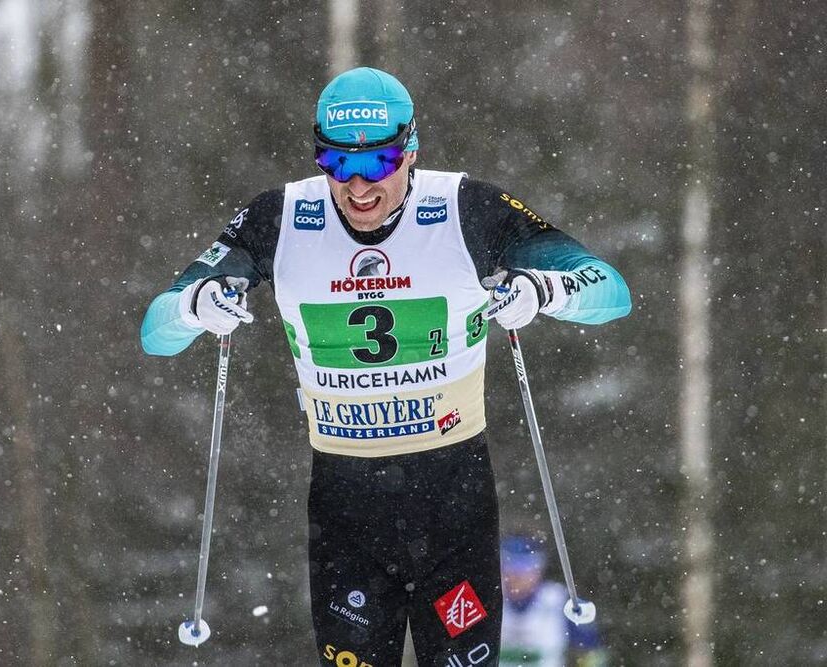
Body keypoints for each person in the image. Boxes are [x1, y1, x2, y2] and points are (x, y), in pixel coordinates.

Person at [141, 66, 631, 666]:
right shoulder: (281, 217)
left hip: (453, 501)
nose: (358, 186)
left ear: (411, 150)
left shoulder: (466, 209)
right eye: (337, 163)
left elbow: (610, 290)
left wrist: (543, 290)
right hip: (346, 509)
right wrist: (195, 306)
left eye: (378, 163)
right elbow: (156, 331)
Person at [500, 535, 608, 667]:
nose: (516, 575)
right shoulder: (489, 600)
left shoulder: (559, 601)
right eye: (510, 566)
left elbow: (591, 652)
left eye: (524, 566)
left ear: (538, 569)